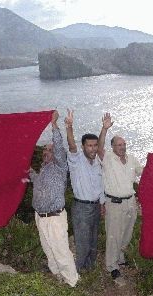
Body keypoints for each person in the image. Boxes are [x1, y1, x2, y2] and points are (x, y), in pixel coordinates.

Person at [29, 110, 79, 287]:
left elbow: (58, 147)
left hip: (55, 218)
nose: (46, 152)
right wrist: (25, 169)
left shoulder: (59, 167)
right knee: (49, 251)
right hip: (40, 217)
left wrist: (54, 125)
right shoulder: (43, 170)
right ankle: (58, 277)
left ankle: (72, 283)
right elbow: (34, 180)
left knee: (61, 252)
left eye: (49, 150)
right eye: (44, 150)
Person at [97, 113, 143, 280]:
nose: (123, 147)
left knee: (127, 233)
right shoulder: (108, 158)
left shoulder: (132, 159)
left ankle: (120, 257)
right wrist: (104, 128)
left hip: (130, 203)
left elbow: (144, 173)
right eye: (119, 145)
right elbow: (99, 148)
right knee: (113, 235)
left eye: (124, 144)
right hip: (114, 204)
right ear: (113, 147)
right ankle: (111, 266)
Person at [64, 109, 104, 272]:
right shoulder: (76, 160)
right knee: (82, 241)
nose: (93, 149)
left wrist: (104, 129)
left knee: (94, 239)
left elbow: (100, 185)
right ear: (83, 146)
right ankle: (78, 271)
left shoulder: (98, 162)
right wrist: (69, 127)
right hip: (81, 208)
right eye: (89, 145)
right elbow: (72, 145)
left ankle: (90, 268)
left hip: (95, 206)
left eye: (95, 145)